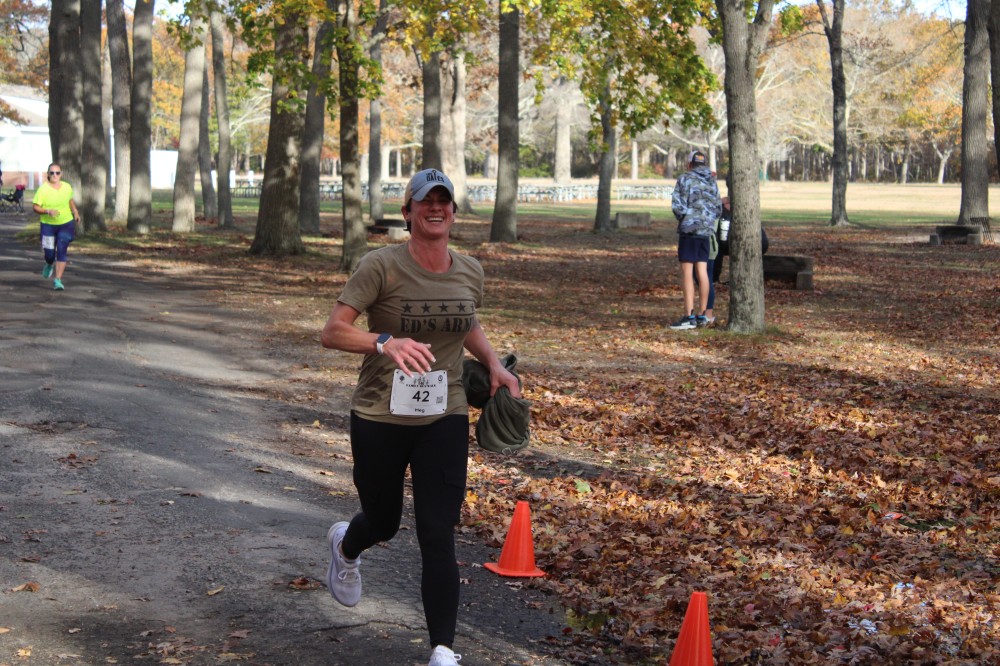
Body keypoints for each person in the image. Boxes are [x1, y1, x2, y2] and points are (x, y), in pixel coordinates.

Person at [320, 168, 521, 666]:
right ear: (407, 211)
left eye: (443, 201)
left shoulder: (470, 269)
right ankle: (346, 547)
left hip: (444, 412)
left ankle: (443, 651)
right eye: (425, 201)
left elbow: (465, 321)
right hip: (379, 414)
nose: (435, 208)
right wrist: (383, 342)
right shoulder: (380, 266)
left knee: (437, 529)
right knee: (384, 521)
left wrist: (494, 363)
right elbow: (332, 331)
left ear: (453, 211)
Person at [669, 150, 721, 330]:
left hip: (689, 230)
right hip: (706, 231)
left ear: (689, 164)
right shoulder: (712, 181)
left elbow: (678, 205)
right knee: (703, 271)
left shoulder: (685, 178)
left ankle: (688, 316)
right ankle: (703, 315)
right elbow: (718, 208)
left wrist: (686, 219)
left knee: (687, 272)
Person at [32, 163, 80, 291]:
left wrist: (75, 211)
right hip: (48, 225)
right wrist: (47, 211)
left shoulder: (67, 187)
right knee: (49, 254)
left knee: (62, 250)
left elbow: (70, 200)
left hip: (66, 223)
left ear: (61, 174)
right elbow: (35, 207)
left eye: (57, 173)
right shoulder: (43, 189)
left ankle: (58, 280)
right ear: (48, 174)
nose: (55, 175)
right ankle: (49, 263)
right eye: (52, 173)